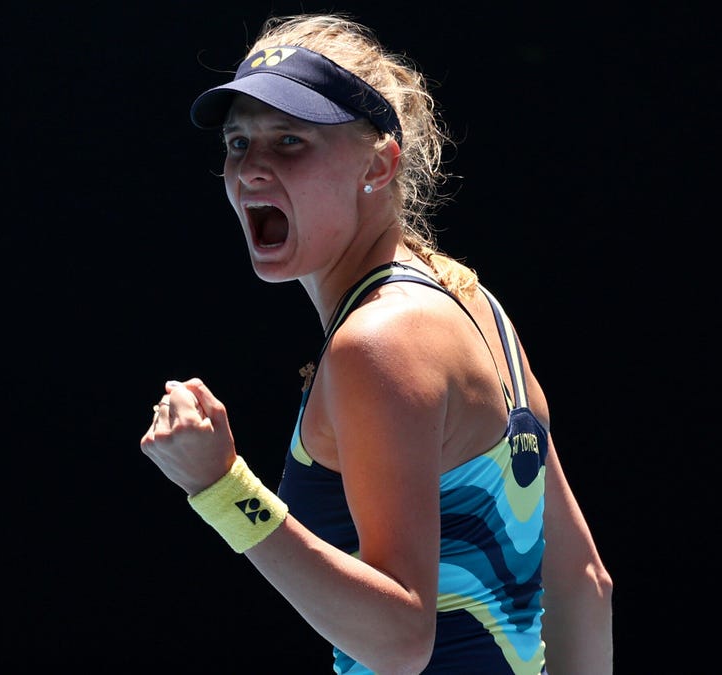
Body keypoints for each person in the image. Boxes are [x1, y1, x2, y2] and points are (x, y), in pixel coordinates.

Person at [139, 13, 612, 674]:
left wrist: (221, 488)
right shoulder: (474, 305)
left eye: (290, 141)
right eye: (239, 141)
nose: (251, 168)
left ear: (379, 163)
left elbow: (399, 638)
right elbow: (585, 585)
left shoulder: (378, 342)